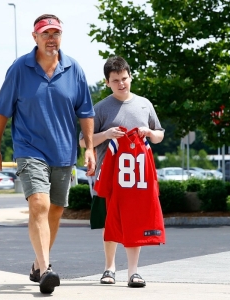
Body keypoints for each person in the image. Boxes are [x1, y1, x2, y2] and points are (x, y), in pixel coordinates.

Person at [0, 14, 95, 294]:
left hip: (63, 151)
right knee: (39, 203)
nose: (51, 38)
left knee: (56, 211)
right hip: (29, 148)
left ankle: (38, 264)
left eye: (56, 33)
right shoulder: (19, 69)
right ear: (34, 37)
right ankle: (48, 269)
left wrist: (90, 148)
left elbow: (85, 112)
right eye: (45, 33)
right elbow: (2, 111)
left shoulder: (75, 70)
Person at [79, 56, 164, 287]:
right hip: (109, 177)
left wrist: (149, 132)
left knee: (134, 221)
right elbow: (84, 141)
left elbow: (159, 135)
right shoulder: (101, 108)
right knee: (110, 222)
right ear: (107, 82)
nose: (121, 84)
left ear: (130, 76)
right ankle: (109, 268)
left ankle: (133, 272)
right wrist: (106, 135)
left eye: (124, 78)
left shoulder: (144, 104)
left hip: (137, 179)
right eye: (115, 80)